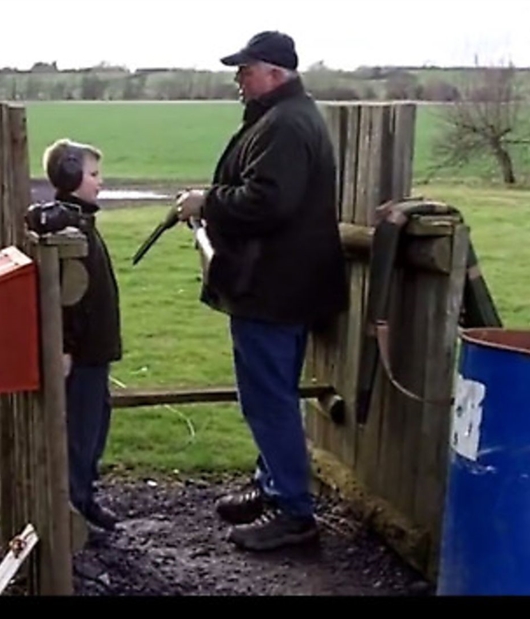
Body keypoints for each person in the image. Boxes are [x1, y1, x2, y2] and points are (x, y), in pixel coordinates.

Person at [175, 31, 347, 551]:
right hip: (281, 285)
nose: (239, 79)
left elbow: (268, 202)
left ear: (275, 73)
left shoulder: (287, 125)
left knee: (268, 399)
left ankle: (294, 511)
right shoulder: (285, 118)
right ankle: (274, 485)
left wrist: (207, 201)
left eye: (245, 70)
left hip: (273, 287)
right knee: (273, 394)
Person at [42, 137, 123, 532]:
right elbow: (65, 298)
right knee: (79, 433)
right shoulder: (70, 226)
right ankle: (72, 511)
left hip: (95, 351)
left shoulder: (81, 222)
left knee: (95, 426)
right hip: (84, 353)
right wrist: (66, 347)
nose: (99, 182)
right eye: (93, 174)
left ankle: (85, 498)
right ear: (71, 176)